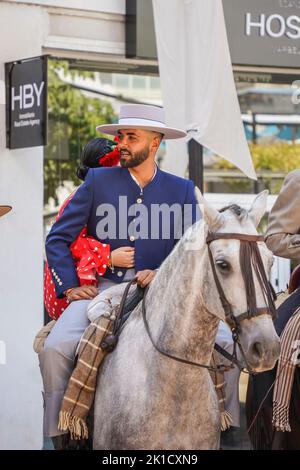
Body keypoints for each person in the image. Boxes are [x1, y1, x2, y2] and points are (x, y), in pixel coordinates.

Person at [39, 104, 199, 444]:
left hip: (164, 293)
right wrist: (69, 287)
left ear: (155, 143)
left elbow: (195, 251)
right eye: (120, 136)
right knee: (55, 347)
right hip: (104, 291)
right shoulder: (98, 181)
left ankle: (224, 428)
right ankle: (62, 433)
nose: (122, 143)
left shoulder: (182, 190)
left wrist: (162, 273)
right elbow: (57, 238)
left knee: (224, 343)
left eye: (131, 137)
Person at [44, 137, 120, 320]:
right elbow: (68, 243)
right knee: (57, 348)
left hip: (92, 282)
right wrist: (109, 257)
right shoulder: (88, 195)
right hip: (73, 289)